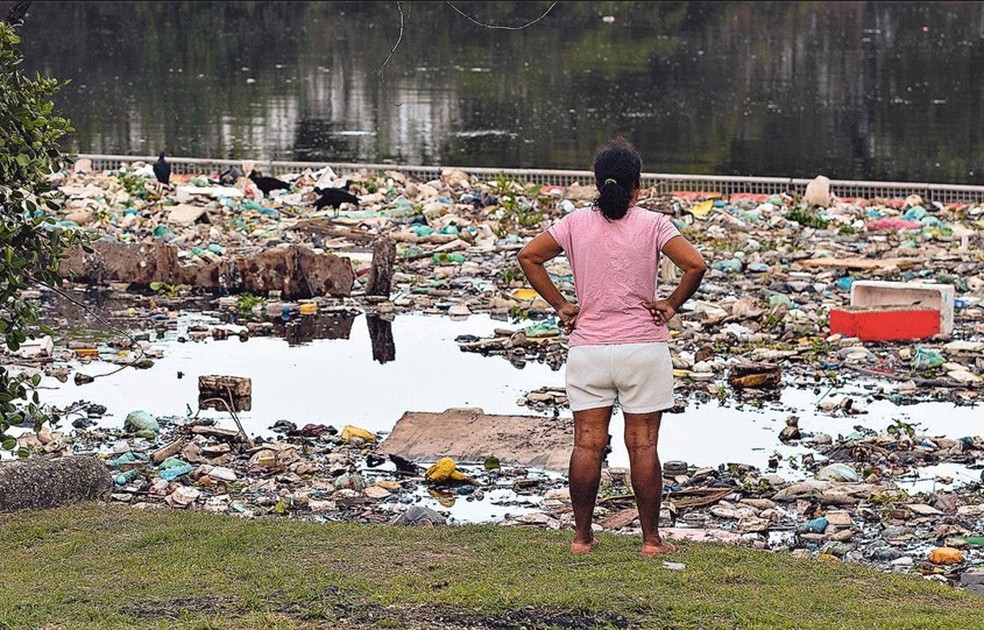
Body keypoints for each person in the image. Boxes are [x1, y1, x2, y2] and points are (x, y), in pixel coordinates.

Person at [517, 137, 707, 556]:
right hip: (643, 348)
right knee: (642, 444)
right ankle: (651, 541)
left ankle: (583, 539)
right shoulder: (654, 224)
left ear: (597, 183)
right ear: (638, 184)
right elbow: (696, 265)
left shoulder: (573, 224)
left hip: (588, 349)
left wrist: (563, 306)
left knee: (587, 442)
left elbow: (529, 257)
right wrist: (671, 304)